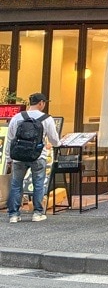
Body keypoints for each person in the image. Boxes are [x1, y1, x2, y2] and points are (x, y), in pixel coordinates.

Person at [4, 92, 60, 223]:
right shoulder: (47, 119)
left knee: (16, 184)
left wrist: (9, 158)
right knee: (38, 184)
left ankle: (14, 215)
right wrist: (58, 144)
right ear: (41, 103)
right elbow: (54, 139)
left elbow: (10, 139)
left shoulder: (17, 117)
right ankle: (37, 213)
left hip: (18, 156)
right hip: (38, 156)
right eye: (44, 103)